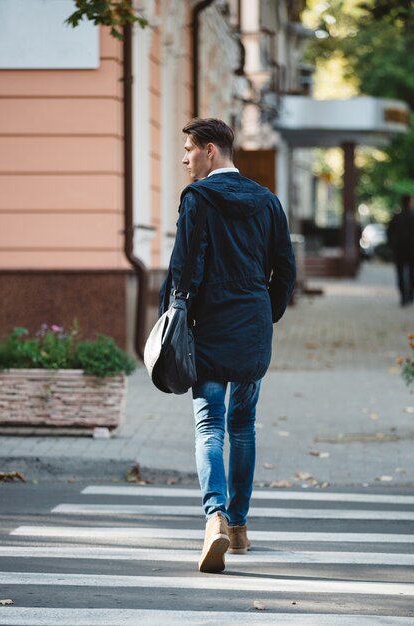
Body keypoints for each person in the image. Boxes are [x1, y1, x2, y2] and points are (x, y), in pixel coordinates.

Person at [160, 118, 296, 573]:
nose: (184, 158)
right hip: (252, 325)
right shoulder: (268, 200)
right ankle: (238, 528)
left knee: (209, 426)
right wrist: (266, 312)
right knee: (243, 426)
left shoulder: (198, 199)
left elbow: (185, 267)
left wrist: (174, 317)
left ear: (211, 151)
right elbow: (285, 268)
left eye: (189, 150)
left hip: (209, 323)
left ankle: (214, 516)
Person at [387, 194, 414, 306]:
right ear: (410, 202)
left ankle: (404, 296)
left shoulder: (396, 217)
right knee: (411, 273)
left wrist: (392, 245)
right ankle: (410, 296)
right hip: (412, 249)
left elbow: (389, 233)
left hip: (399, 249)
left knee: (400, 273)